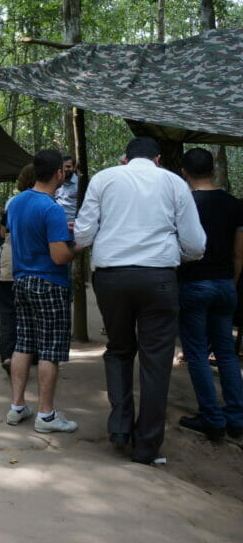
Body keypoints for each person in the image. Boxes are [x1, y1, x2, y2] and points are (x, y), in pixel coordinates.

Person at [74, 136, 206, 464]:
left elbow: (84, 235)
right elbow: (194, 244)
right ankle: (146, 447)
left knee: (119, 349)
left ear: (124, 158)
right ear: (158, 159)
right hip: (158, 278)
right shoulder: (174, 183)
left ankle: (119, 428)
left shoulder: (105, 179)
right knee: (156, 361)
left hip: (111, 277)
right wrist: (176, 253)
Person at [5, 150, 82, 433]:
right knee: (50, 349)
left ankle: (17, 406)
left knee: (24, 343)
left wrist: (63, 229)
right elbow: (60, 256)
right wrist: (82, 244)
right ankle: (46, 415)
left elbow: (26, 233)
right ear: (59, 174)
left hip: (22, 280)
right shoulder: (52, 208)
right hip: (49, 282)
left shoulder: (16, 202)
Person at [176, 147, 243, 441]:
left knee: (197, 354)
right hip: (225, 284)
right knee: (226, 352)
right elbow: (239, 253)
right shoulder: (234, 204)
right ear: (214, 169)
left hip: (193, 284)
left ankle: (212, 418)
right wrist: (231, 281)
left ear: (184, 172)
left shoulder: (184, 205)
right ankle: (236, 418)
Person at [0, 164, 36, 372]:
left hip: (8, 259)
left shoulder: (13, 202)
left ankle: (9, 356)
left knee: (9, 311)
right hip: (30, 260)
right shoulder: (46, 202)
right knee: (29, 311)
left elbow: (3, 232)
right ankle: (29, 354)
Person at [53, 155, 79, 224]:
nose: (65, 169)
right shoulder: (56, 183)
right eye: (63, 167)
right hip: (57, 222)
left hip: (73, 224)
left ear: (74, 168)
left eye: (68, 166)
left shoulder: (79, 185)